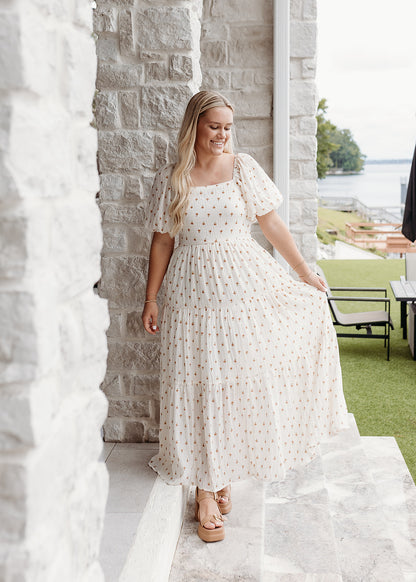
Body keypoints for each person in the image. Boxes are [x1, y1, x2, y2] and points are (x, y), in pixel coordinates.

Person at [142, 90, 349, 543]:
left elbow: (271, 223)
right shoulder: (172, 178)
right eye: (214, 126)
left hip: (244, 285)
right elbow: (162, 241)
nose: (222, 135)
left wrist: (303, 271)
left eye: (228, 127)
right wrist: (151, 298)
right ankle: (204, 492)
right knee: (197, 383)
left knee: (237, 381)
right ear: (195, 126)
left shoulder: (243, 168)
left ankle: (222, 473)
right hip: (192, 294)